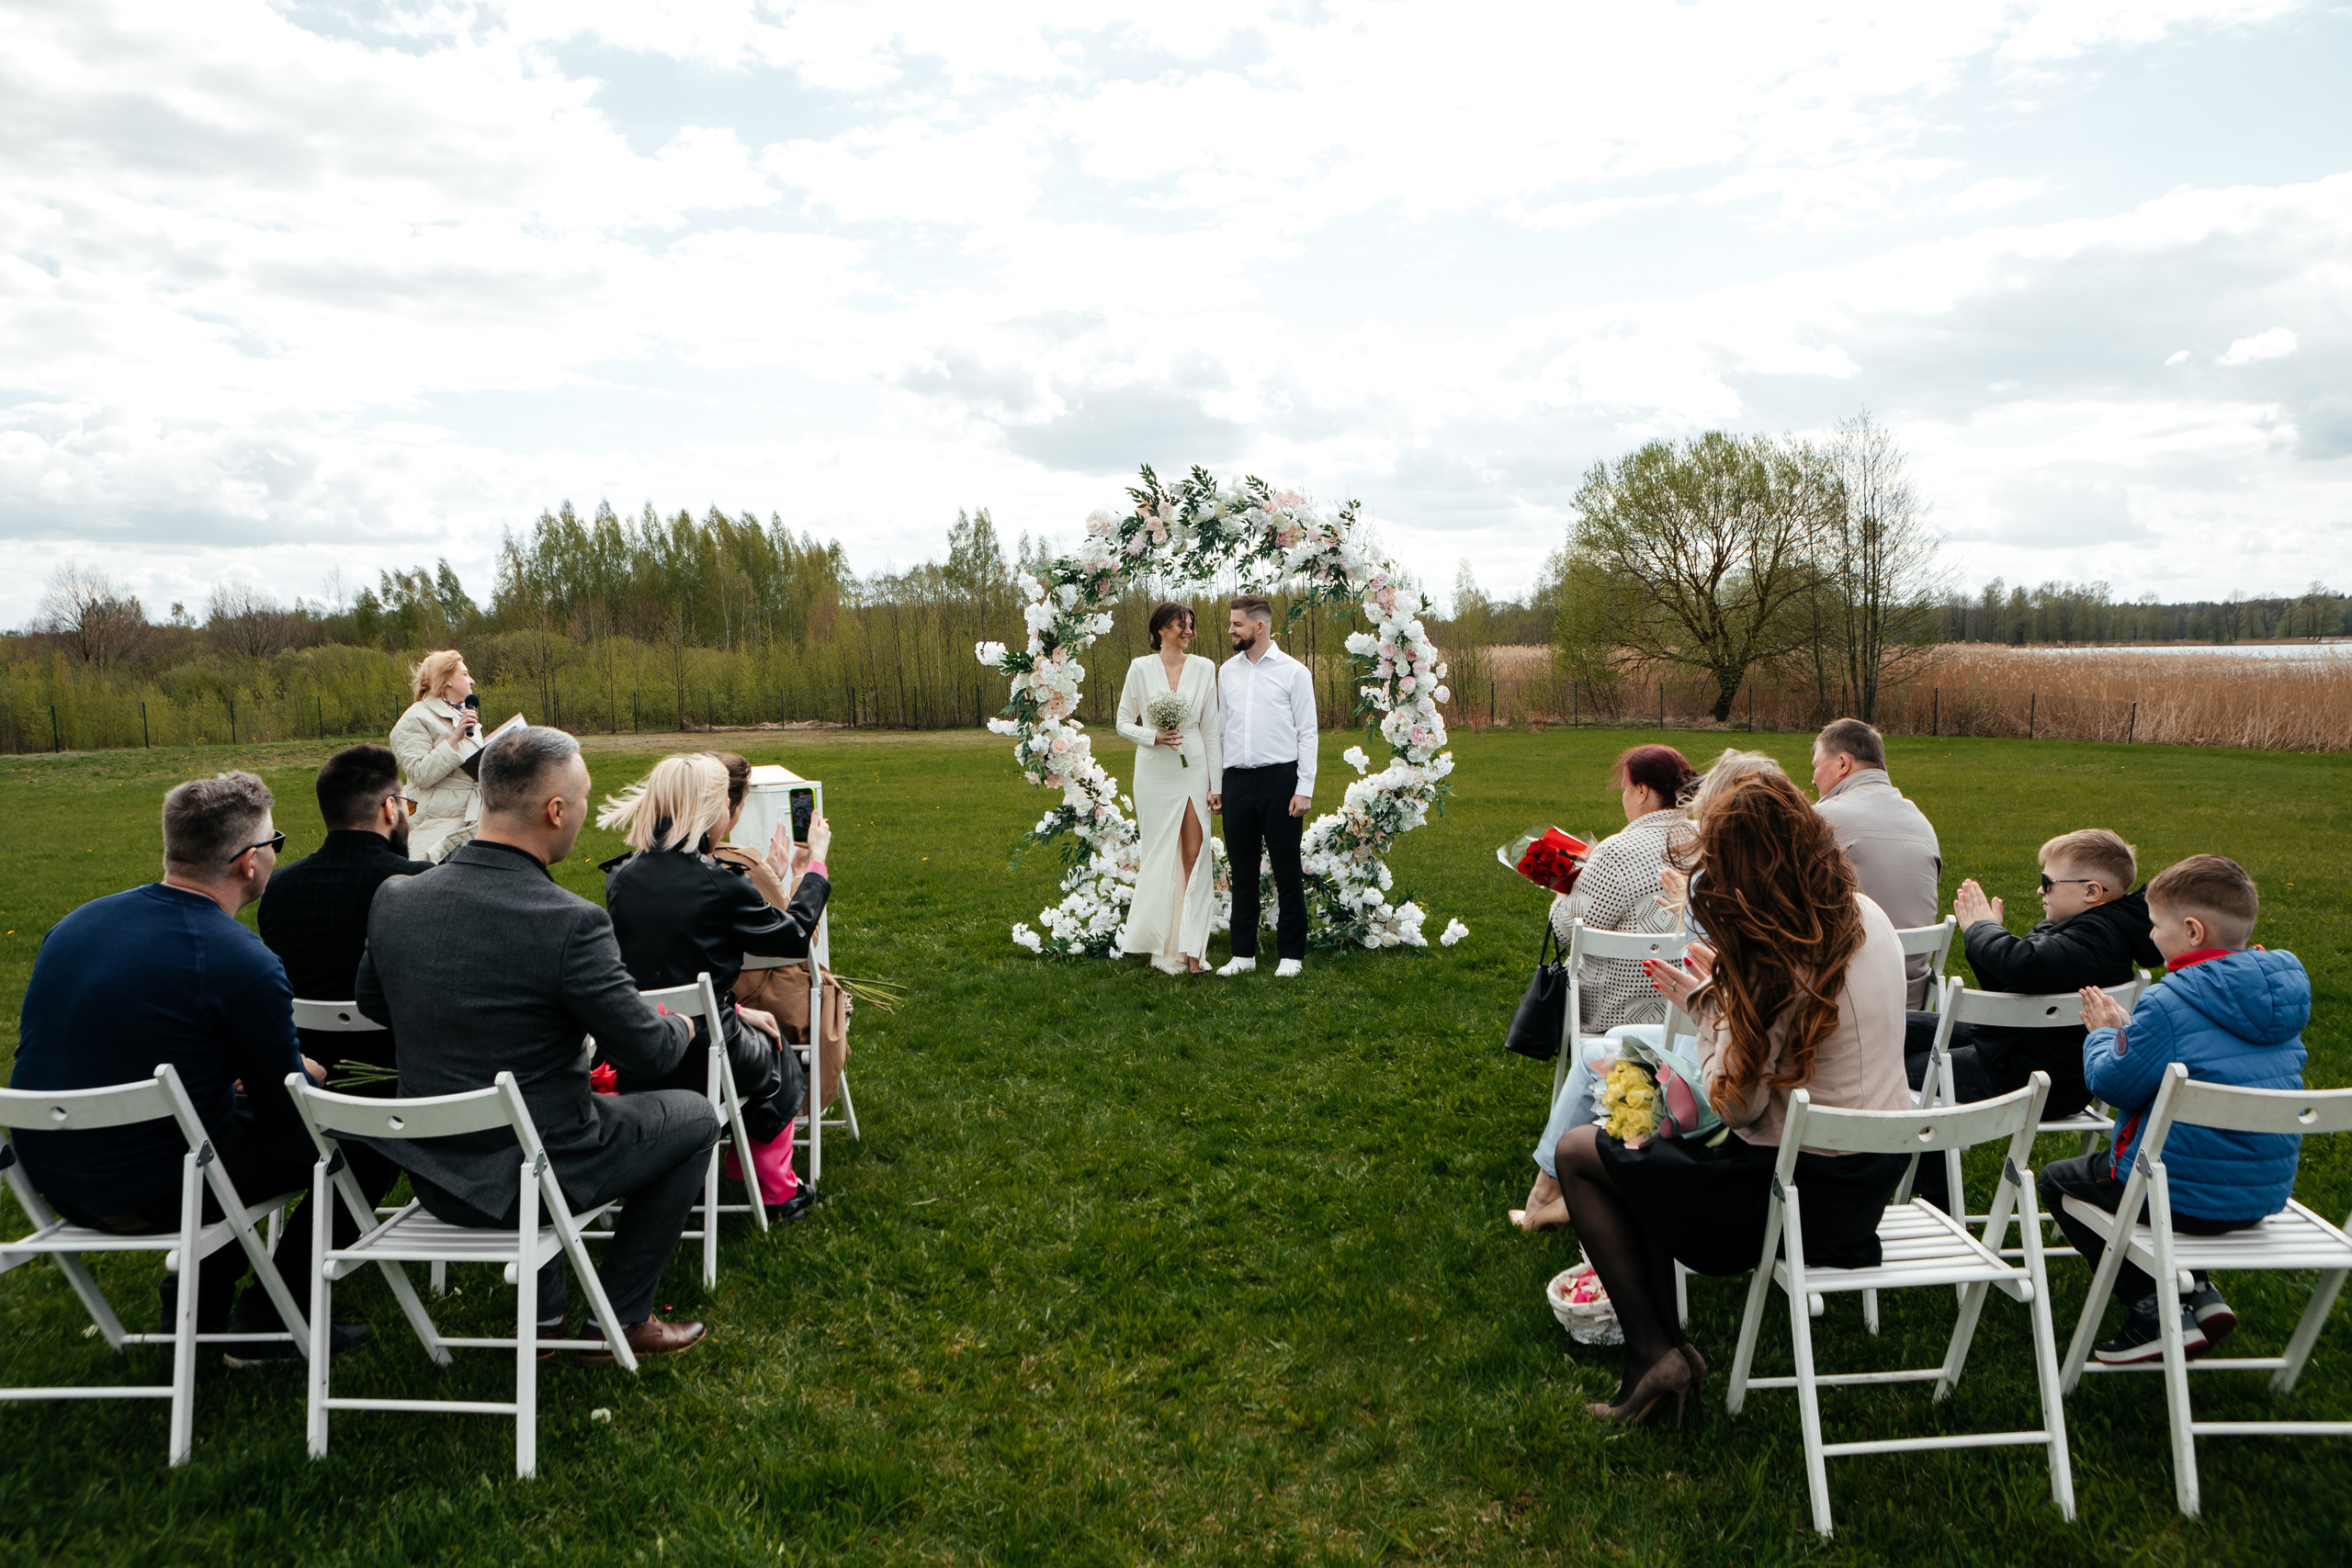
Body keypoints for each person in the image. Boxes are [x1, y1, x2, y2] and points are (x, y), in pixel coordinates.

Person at [1556, 770, 1912, 1426]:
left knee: (1587, 1149)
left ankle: (1653, 1353)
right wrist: (1715, 998)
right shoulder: (1866, 915)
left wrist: (1712, 1008)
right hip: (1868, 1183)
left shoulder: (1770, 955)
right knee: (1641, 1149)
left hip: (1792, 1199)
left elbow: (1734, 1106)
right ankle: (1661, 1353)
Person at [356, 727, 720, 1361]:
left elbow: (371, 1004)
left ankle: (547, 1317)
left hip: (435, 1171)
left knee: (536, 1107)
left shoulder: (397, 896)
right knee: (694, 1115)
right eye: (582, 799)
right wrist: (682, 1026)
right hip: (538, 1171)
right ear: (557, 810)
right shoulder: (570, 922)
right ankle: (622, 1315)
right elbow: (649, 1054)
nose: (582, 810)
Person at [8, 773, 370, 1364]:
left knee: (224, 1134)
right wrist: (310, 1075)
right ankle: (271, 1318)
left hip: (55, 1175)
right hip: (159, 1186)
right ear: (250, 862)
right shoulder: (241, 960)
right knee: (353, 1140)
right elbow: (286, 1109)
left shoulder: (77, 924)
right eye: (274, 841)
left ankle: (198, 1321)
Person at [2043, 855, 2308, 1364]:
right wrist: (2133, 1033)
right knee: (2193, 1152)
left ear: (2190, 930)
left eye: (2156, 925)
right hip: (2261, 1193)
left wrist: (2105, 1035)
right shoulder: (2282, 997)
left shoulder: (2170, 1002)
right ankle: (2199, 1294)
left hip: (2181, 1201)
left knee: (2058, 1181)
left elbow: (2113, 1083)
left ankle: (2153, 1309)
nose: (2150, 933)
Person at [245, 744, 433, 1341]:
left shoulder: (283, 888)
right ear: (388, 807)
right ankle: (279, 1301)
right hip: (394, 1078)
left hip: (302, 1072)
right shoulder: (416, 882)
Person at [598, 753, 829, 1223]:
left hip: (640, 1052)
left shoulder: (621, 878)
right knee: (778, 1051)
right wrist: (815, 866)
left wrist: (738, 1011)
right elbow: (794, 935)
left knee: (752, 1027)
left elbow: (662, 973)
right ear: (710, 810)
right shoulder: (721, 884)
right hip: (705, 1053)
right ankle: (774, 1187)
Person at [1510, 744, 1699, 1232]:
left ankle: (1549, 1189)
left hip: (1619, 1007)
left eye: (1624, 789)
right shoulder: (1707, 839)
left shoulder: (1617, 851)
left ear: (1641, 791)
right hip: (1693, 1005)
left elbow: (1571, 928)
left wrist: (1565, 888)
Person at [1907, 828, 2163, 1122]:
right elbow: (2014, 987)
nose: (2040, 890)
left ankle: (1903, 1155)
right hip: (2017, 1050)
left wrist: (1983, 929)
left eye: (2048, 882)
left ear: (2091, 891)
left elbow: (2024, 966)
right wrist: (1984, 945)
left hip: (2035, 1082)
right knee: (1895, 1025)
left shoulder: (2098, 937)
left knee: (1889, 1066)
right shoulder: (2089, 929)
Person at [707, 753, 854, 1121]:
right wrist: (809, 868)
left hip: (705, 1011)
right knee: (829, 996)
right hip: (767, 1010)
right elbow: (799, 938)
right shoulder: (742, 865)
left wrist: (772, 874)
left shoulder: (647, 871)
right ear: (730, 809)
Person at [1211, 594, 1317, 977]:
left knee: (1287, 870)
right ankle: (1242, 955)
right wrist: (1218, 782)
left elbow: (1308, 733)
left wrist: (1304, 788)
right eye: (1230, 624)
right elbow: (1221, 730)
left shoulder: (1294, 672)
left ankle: (1291, 955)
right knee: (1242, 872)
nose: (1230, 631)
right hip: (1237, 780)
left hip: (1280, 780)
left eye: (1237, 624)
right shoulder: (1226, 671)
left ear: (1259, 626)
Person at [1114, 603, 1223, 974]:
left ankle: (1194, 951)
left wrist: (1217, 784)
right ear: (1161, 629)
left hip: (1193, 769)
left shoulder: (1206, 668)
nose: (1188, 631)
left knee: (1194, 855)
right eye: (1181, 625)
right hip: (1154, 773)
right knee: (1160, 856)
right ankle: (1160, 948)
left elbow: (1210, 730)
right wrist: (1154, 736)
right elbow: (1123, 722)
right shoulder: (1140, 669)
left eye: (1190, 625)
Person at [1810, 718, 1943, 1006]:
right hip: (1913, 999)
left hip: (1845, 1002)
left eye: (1817, 764)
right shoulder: (1921, 823)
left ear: (1843, 764)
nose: (1814, 778)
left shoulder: (1822, 819)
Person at [390, 649, 483, 862]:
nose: (472, 681)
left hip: (474, 820)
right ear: (447, 679)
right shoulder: (415, 718)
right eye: (465, 674)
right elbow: (419, 773)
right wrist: (454, 738)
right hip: (436, 823)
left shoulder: (463, 715)